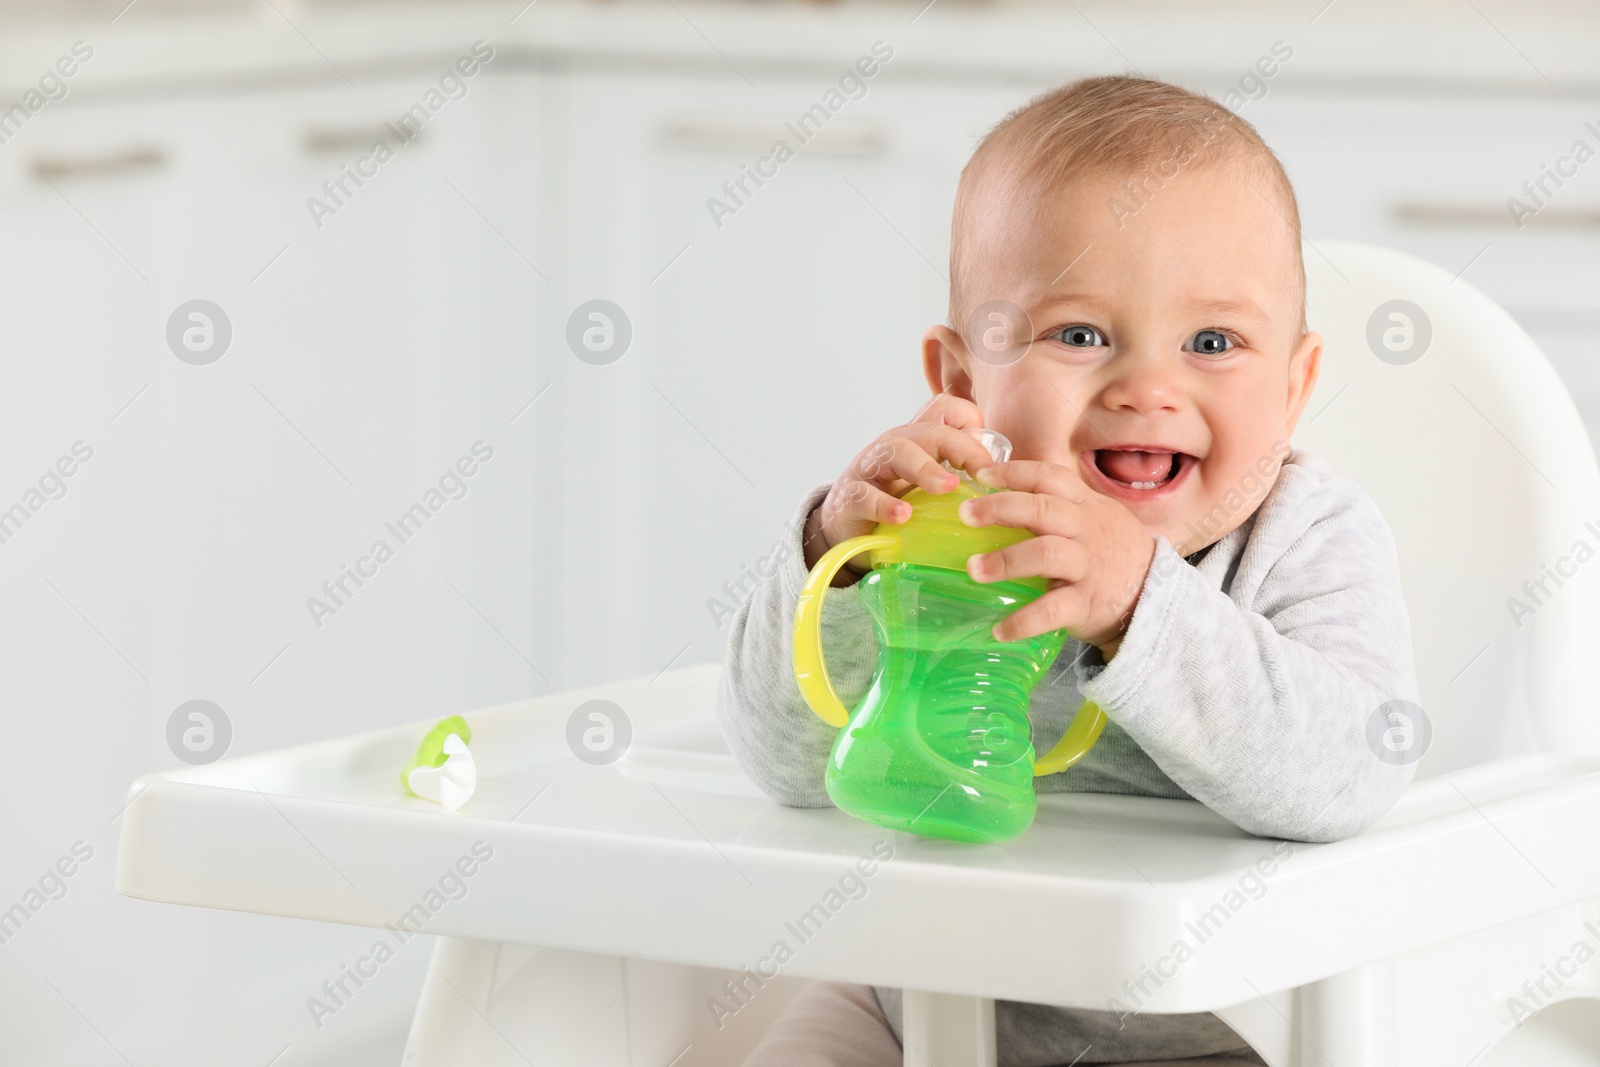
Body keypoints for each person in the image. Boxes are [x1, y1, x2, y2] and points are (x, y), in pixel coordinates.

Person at [715, 74, 1417, 1066]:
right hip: (921, 999)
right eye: (1079, 334)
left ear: (1294, 385)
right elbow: (781, 765)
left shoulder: (1307, 535)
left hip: (1213, 1034)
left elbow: (1355, 769)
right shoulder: (941, 522)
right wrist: (842, 557)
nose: (1146, 387)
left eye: (1212, 341)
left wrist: (1141, 605)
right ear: (963, 382)